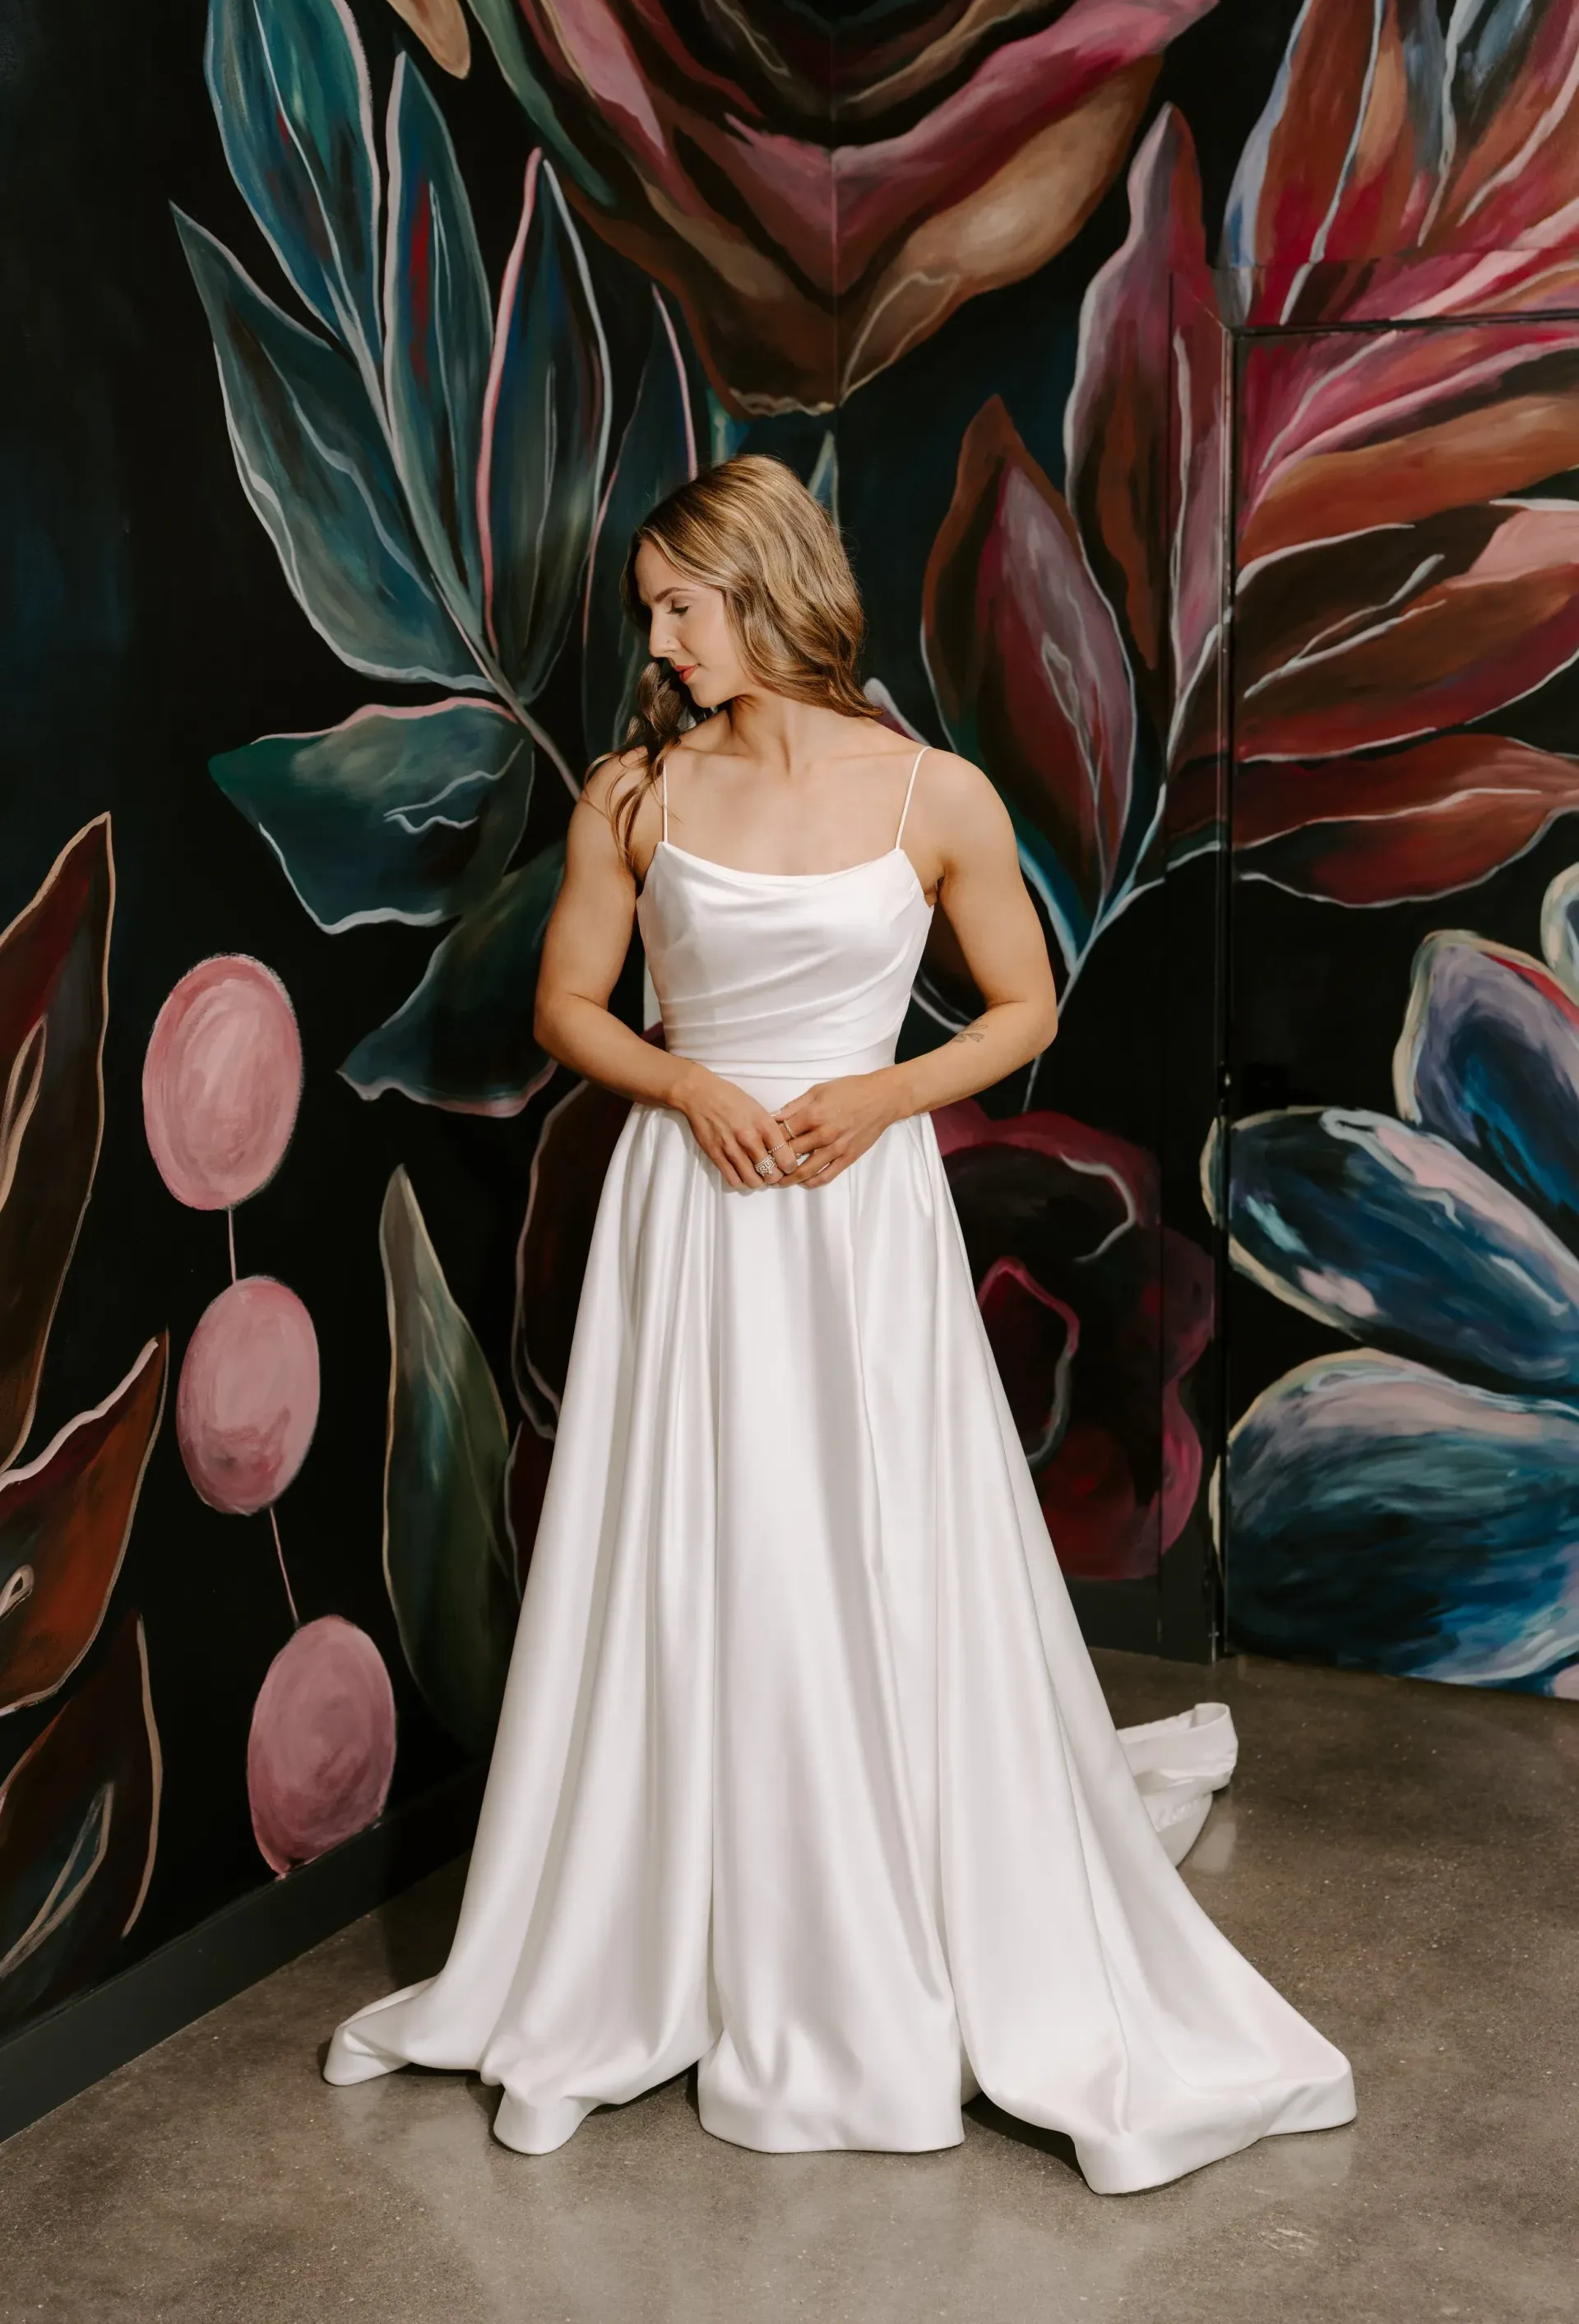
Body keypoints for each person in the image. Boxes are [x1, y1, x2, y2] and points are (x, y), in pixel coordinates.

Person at [326, 455, 1354, 2187]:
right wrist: (687, 1082)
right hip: (695, 1203)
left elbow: (1019, 1009)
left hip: (856, 1210)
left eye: (679, 605)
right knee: (691, 1538)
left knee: (862, 1537)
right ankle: (658, 1914)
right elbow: (572, 1007)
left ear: (769, 588)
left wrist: (880, 1104)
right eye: (650, 608)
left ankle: (876, 1874)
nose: (656, 640)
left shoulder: (929, 793)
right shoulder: (633, 794)